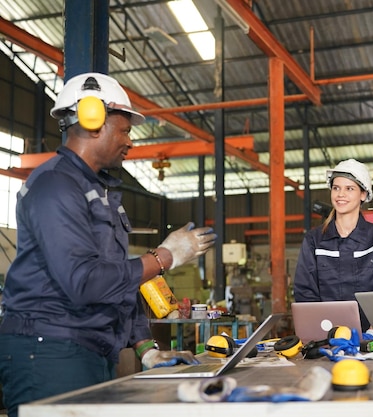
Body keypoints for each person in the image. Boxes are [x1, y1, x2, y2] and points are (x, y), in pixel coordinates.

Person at [0, 72, 217, 417]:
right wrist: (165, 257)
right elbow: (85, 282)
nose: (130, 141)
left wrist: (146, 348)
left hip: (88, 351)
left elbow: (116, 281)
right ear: (93, 120)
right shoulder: (56, 186)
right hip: (48, 352)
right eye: (125, 129)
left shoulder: (98, 193)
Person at [293, 159, 373, 332]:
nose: (340, 194)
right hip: (326, 337)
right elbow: (305, 292)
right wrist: (318, 332)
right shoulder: (314, 241)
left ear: (363, 194)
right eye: (336, 188)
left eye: (349, 188)